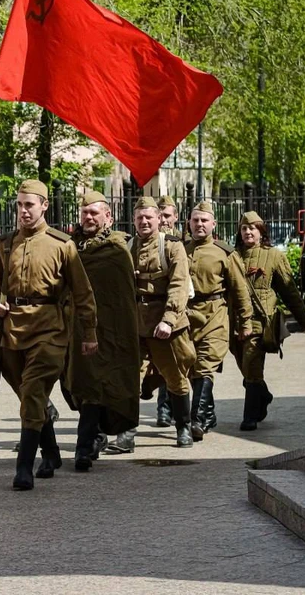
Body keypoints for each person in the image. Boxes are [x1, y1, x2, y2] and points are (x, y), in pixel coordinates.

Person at [0, 179, 97, 491]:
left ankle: (23, 467)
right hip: (13, 331)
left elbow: (83, 292)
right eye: (20, 205)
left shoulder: (62, 245)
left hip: (49, 330)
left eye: (30, 205)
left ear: (44, 206)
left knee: (34, 390)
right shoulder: (6, 243)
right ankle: (51, 453)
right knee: (30, 395)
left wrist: (89, 332)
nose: (24, 211)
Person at [65, 191, 139, 471]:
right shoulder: (70, 247)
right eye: (85, 213)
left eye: (94, 213)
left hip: (109, 331)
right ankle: (93, 437)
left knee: (96, 386)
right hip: (74, 328)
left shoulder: (116, 250)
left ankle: (84, 448)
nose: (88, 217)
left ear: (108, 216)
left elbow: (121, 299)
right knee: (79, 384)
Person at [124, 196, 195, 450]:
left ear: (158, 219)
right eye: (139, 217)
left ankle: (183, 426)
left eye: (149, 217)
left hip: (166, 325)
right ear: (133, 220)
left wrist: (168, 319)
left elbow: (179, 286)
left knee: (175, 377)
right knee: (130, 378)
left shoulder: (172, 247)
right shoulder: (128, 247)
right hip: (137, 324)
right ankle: (127, 433)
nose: (144, 222)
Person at [233, 211, 305, 431]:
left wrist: (301, 317)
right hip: (236, 321)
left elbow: (289, 289)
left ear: (261, 232)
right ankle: (263, 395)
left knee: (252, 364)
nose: (248, 232)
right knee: (245, 367)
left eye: (253, 228)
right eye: (244, 228)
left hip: (261, 320)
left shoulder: (274, 256)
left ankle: (249, 418)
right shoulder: (232, 256)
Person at [185, 201, 253, 440]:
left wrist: (245, 323)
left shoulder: (225, 253)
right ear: (189, 223)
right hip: (188, 317)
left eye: (204, 220)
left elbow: (240, 290)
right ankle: (209, 414)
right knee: (193, 369)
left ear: (213, 224)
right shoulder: (181, 250)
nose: (200, 224)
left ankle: (197, 420)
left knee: (205, 366)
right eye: (195, 220)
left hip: (215, 316)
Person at [153, 194, 180, 427]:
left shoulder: (183, 243)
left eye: (167, 216)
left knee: (187, 364)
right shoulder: (149, 242)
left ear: (176, 217)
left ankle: (193, 413)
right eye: (159, 216)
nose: (162, 220)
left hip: (185, 313)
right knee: (163, 364)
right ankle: (163, 410)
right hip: (159, 313)